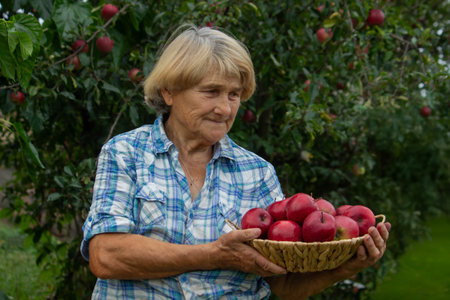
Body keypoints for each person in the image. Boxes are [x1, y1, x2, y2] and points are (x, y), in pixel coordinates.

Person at [81, 24, 390, 299]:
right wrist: (215, 255)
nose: (224, 109)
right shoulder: (126, 153)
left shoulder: (256, 173)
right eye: (211, 92)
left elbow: (280, 284)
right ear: (169, 91)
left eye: (234, 95)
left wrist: (343, 268)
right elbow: (106, 256)